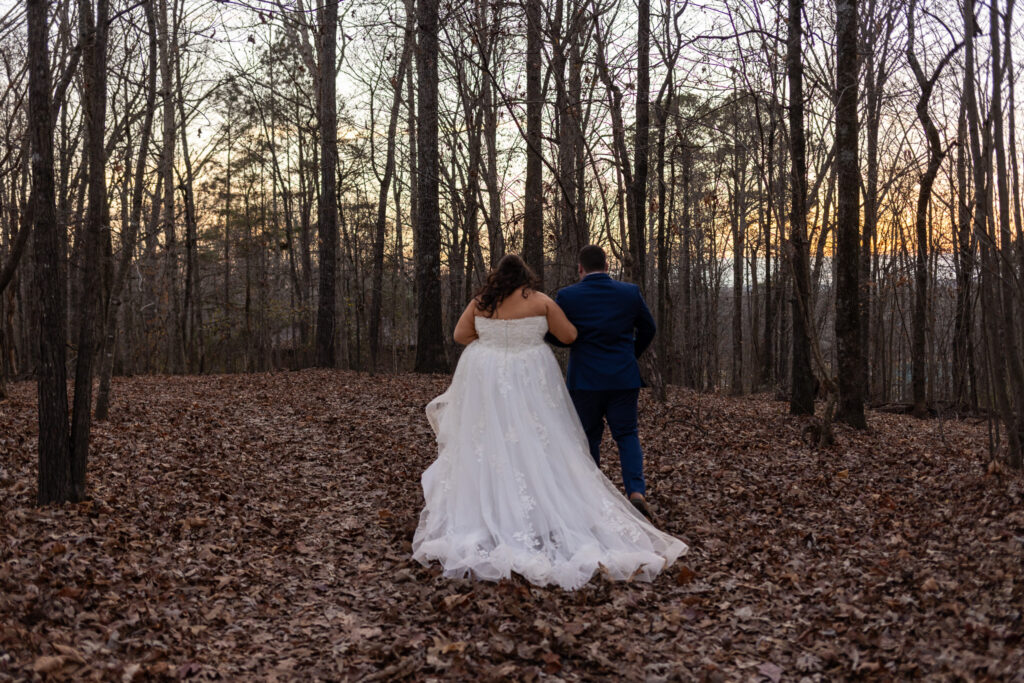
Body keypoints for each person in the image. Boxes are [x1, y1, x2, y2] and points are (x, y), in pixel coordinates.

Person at [412, 254, 686, 590]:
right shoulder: (541, 301)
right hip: (530, 376)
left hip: (489, 379)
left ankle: (493, 510)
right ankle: (590, 499)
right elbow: (569, 335)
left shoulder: (480, 302)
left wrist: (492, 338)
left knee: (491, 440)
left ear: (497, 277)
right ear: (526, 275)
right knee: (540, 438)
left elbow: (459, 335)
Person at [546, 245, 659, 522]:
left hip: (585, 379)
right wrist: (630, 353)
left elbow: (554, 334)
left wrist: (569, 343)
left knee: (588, 437)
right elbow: (649, 328)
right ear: (607, 266)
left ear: (580, 268)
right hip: (623, 376)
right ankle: (635, 492)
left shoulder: (568, 296)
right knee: (627, 434)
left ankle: (593, 495)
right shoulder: (629, 293)